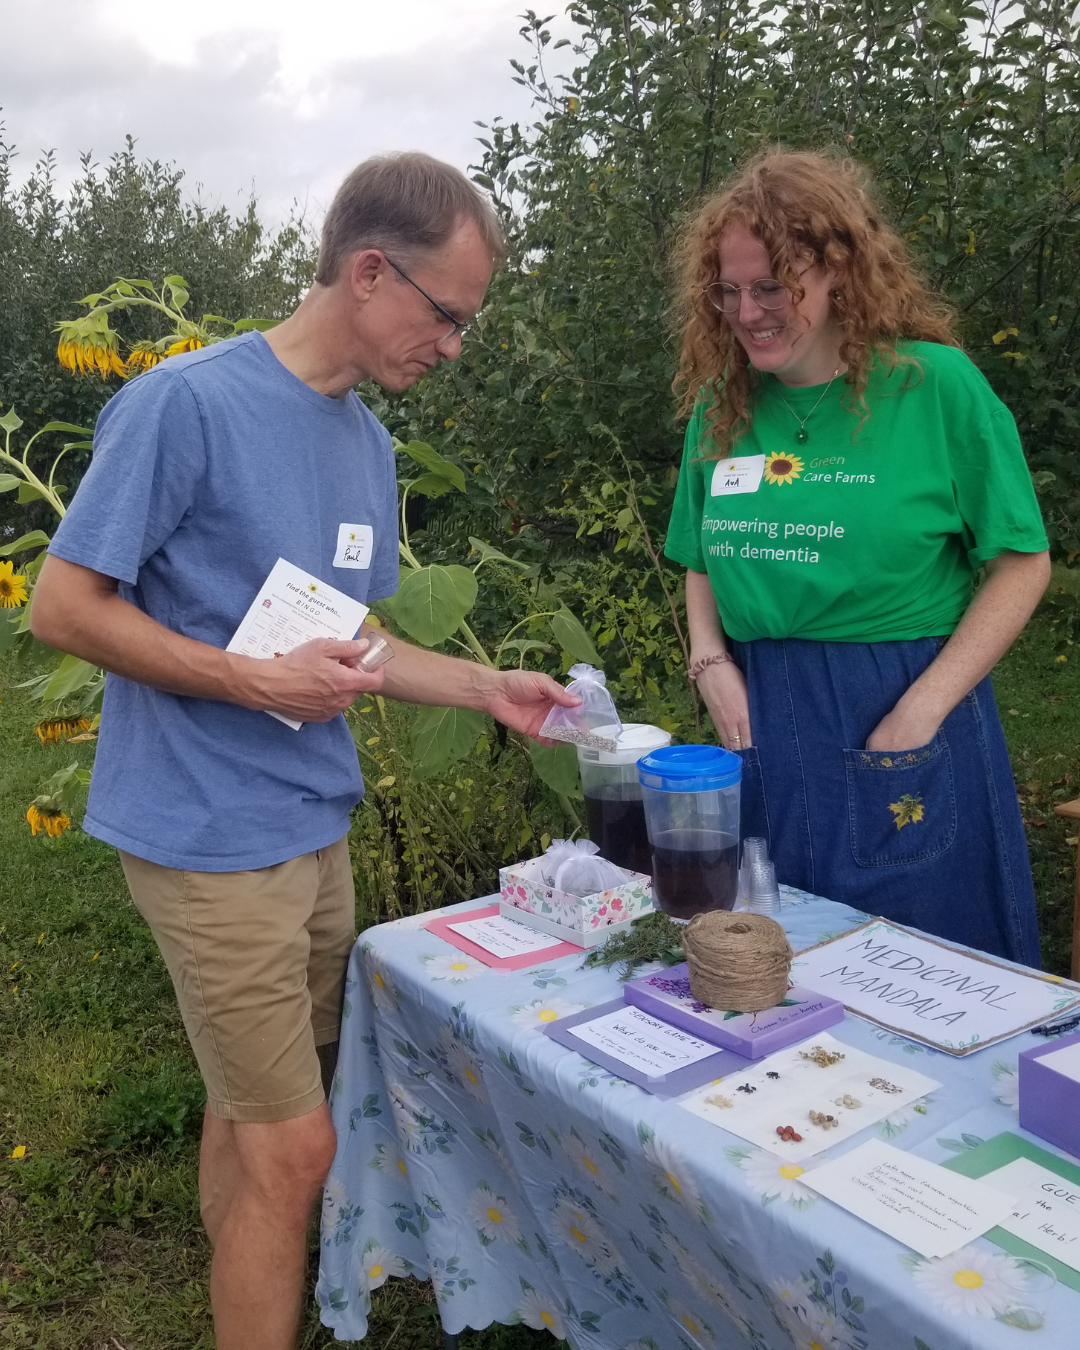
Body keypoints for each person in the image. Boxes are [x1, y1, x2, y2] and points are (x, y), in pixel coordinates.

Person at [30, 152, 575, 1350]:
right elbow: (61, 608)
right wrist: (246, 676)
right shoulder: (187, 404)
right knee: (298, 1144)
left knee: (254, 1117)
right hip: (207, 838)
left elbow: (356, 637)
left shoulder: (364, 445)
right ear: (369, 270)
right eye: (449, 317)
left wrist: (492, 690)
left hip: (311, 822)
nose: (455, 346)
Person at [663, 148, 1050, 967]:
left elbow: (1023, 562)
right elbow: (699, 552)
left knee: (929, 968)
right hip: (763, 713)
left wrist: (920, 711)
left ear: (838, 268)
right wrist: (709, 658)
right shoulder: (722, 407)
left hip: (904, 705)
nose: (748, 312)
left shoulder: (934, 386)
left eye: (773, 286)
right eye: (729, 291)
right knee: (772, 959)